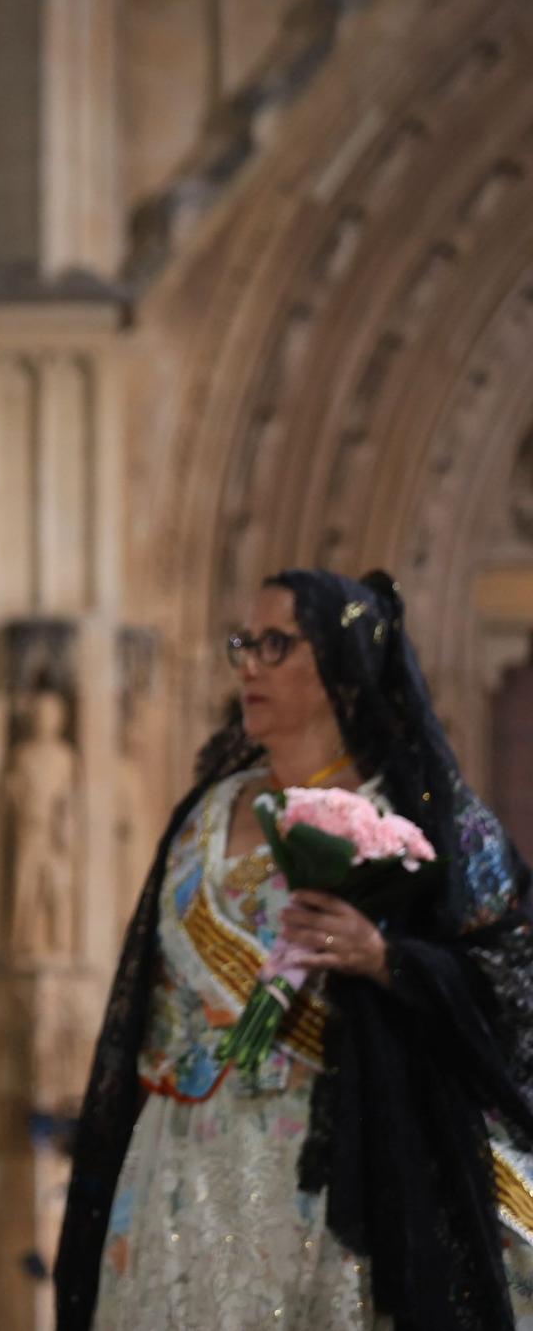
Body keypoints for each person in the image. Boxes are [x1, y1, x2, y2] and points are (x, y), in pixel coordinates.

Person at [56, 569, 533, 1329]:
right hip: (174, 1162)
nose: (249, 663)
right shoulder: (206, 812)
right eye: (244, 643)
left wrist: (388, 959)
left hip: (315, 1168)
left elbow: (516, 969)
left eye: (276, 644)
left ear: (343, 663)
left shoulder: (417, 819)